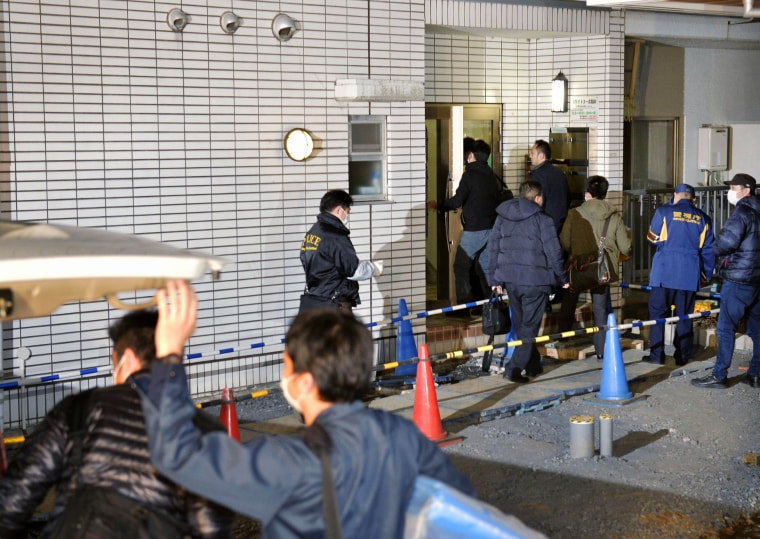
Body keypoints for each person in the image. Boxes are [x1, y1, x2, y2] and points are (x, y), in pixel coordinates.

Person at [134, 280, 476, 538]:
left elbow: (177, 455)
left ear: (304, 383)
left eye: (287, 367)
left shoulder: (286, 460)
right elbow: (463, 513)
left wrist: (168, 357)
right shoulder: (405, 438)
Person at [0, 310, 233, 538]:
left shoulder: (80, 409)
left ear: (128, 360)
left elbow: (11, 504)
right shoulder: (205, 431)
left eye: (114, 363)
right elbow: (211, 529)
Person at [487, 181, 569, 383]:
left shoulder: (503, 217)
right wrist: (562, 278)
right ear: (538, 198)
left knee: (523, 324)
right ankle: (513, 369)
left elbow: (493, 248)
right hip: (535, 281)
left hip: (511, 281)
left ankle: (532, 364)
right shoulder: (543, 219)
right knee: (529, 327)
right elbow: (553, 251)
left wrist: (494, 278)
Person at [693, 173, 760, 389]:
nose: (730, 190)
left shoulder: (742, 211)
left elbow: (726, 242)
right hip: (757, 279)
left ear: (746, 189)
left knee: (725, 327)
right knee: (757, 329)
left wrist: (711, 251)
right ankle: (755, 374)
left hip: (739, 278)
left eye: (733, 186)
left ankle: (719, 374)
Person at [429, 139, 508, 316]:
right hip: (492, 227)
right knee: (486, 266)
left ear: (471, 155)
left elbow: (457, 201)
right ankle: (492, 306)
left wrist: (440, 206)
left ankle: (463, 307)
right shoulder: (491, 174)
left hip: (475, 229)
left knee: (460, 265)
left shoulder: (470, 175)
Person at [558, 175, 632, 360]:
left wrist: (576, 252)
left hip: (578, 267)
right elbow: (625, 247)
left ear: (587, 194)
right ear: (604, 194)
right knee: (600, 309)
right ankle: (600, 349)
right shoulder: (614, 215)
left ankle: (562, 340)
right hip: (602, 269)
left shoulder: (574, 213)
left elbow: (564, 241)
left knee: (569, 299)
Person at [643, 183, 715, 366]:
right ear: (693, 198)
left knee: (657, 315)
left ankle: (656, 355)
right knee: (684, 317)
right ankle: (682, 356)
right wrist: (706, 275)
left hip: (663, 273)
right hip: (689, 275)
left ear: (676, 195)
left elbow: (651, 238)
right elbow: (708, 251)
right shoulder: (704, 219)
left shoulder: (663, 212)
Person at [300, 189, 382, 313]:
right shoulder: (336, 236)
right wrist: (374, 268)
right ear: (339, 210)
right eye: (347, 211)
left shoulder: (312, 233)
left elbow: (305, 260)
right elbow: (354, 270)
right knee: (344, 333)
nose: (347, 216)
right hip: (335, 303)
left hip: (315, 300)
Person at [529, 139, 569, 233]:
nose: (530, 156)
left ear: (541, 156)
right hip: (561, 222)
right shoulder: (559, 172)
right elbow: (568, 197)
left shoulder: (538, 174)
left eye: (532, 153)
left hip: (545, 223)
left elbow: (538, 201)